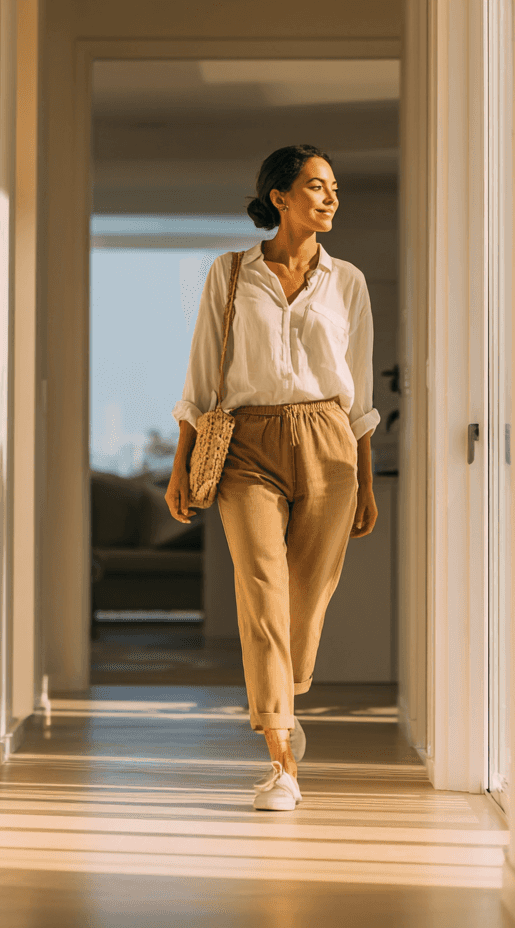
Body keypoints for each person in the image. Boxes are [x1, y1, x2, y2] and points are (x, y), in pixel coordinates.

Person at [166, 144, 380, 811]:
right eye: (316, 186)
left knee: (305, 604)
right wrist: (180, 463)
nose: (331, 197)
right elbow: (203, 373)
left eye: (334, 187)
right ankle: (281, 760)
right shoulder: (230, 274)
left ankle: (284, 699)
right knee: (261, 592)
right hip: (245, 444)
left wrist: (367, 479)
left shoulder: (348, 282)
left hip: (329, 442)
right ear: (279, 197)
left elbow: (360, 389)